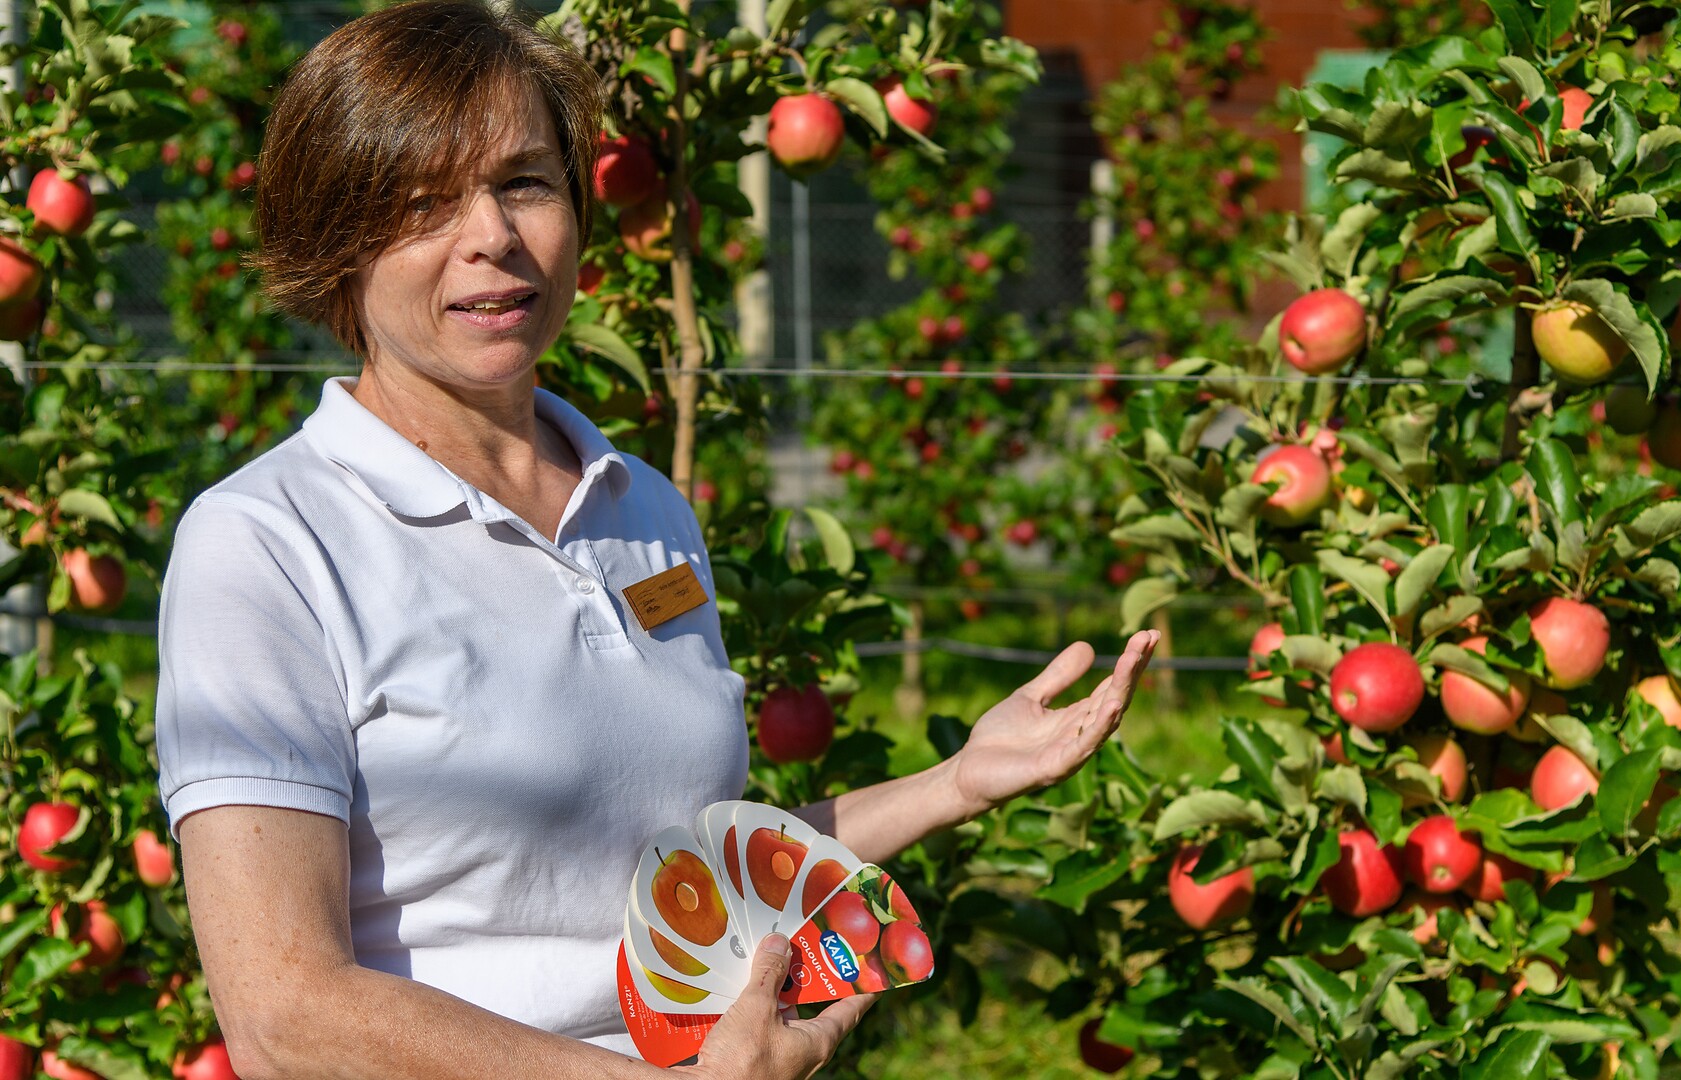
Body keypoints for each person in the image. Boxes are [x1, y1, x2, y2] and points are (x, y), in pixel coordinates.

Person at [153, 3, 1160, 1078]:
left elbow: (683, 877)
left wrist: (955, 783)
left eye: (525, 182)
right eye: (422, 202)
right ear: (333, 242)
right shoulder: (269, 547)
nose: (492, 234)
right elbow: (284, 1015)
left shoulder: (642, 509)